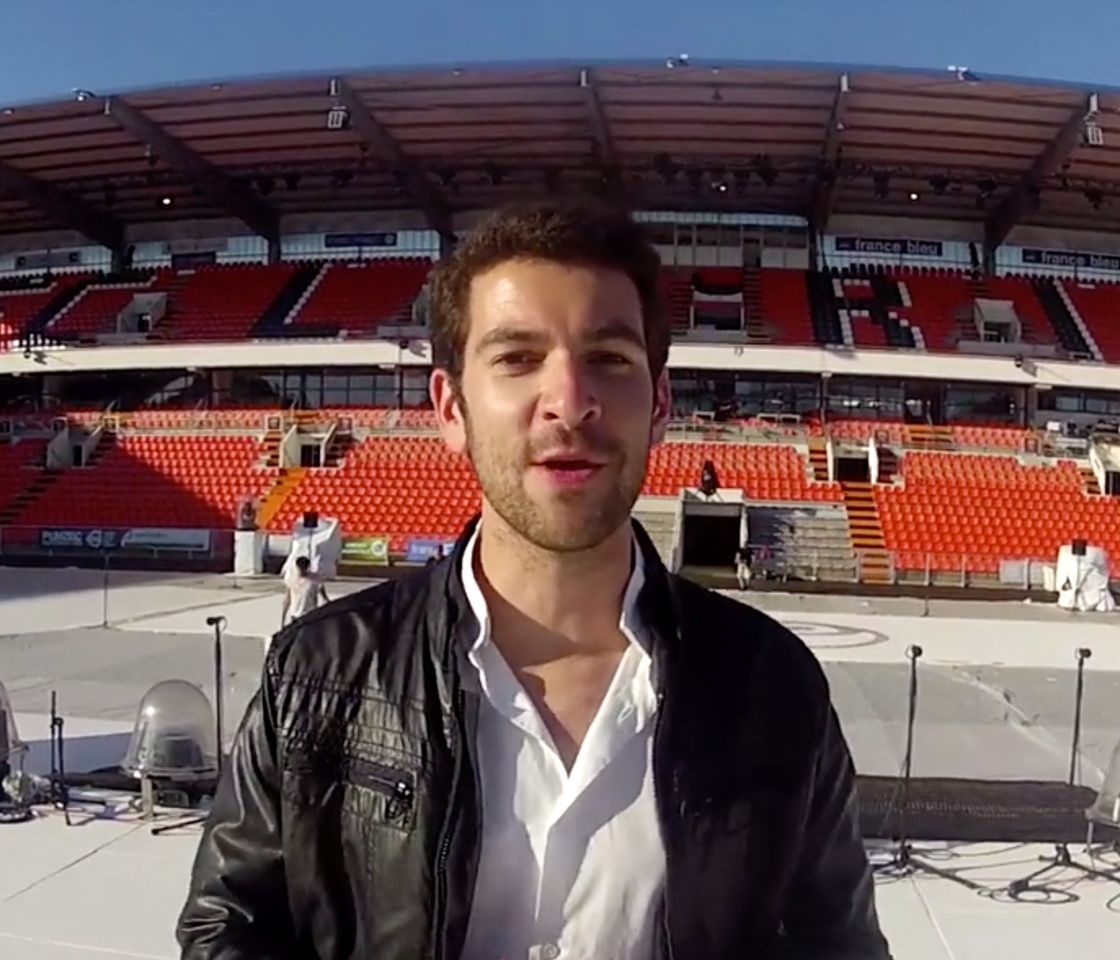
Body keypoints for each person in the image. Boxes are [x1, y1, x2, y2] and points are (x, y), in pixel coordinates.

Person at [178, 200, 889, 960]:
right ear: (451, 409)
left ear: (658, 405)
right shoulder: (315, 676)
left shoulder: (776, 688)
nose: (569, 400)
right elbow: (231, 926)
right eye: (518, 358)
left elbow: (838, 945)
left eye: (610, 358)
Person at [279, 555, 329, 628]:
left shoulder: (315, 580)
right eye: (300, 568)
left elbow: (324, 597)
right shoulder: (291, 579)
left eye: (303, 568)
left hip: (309, 615)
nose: (301, 570)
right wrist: (282, 620)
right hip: (295, 615)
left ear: (307, 567)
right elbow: (287, 599)